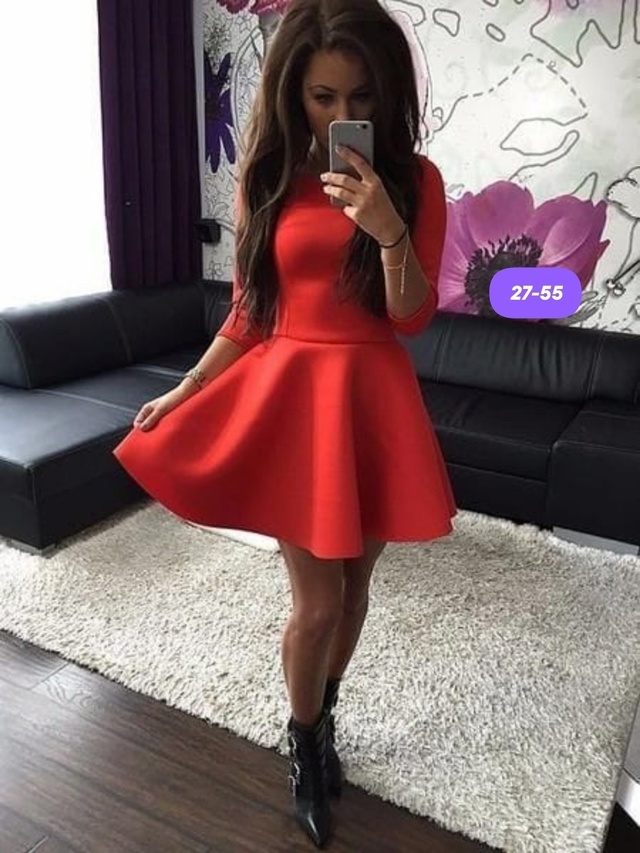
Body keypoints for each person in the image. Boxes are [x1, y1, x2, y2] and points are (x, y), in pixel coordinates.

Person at [113, 0, 457, 847]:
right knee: (318, 601)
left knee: (358, 586)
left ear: (387, 92)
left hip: (373, 398)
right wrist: (187, 388)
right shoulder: (266, 178)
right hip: (298, 406)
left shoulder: (415, 182)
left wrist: (387, 230)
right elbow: (249, 312)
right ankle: (303, 745)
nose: (343, 115)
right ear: (293, 92)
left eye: (361, 97)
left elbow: (411, 317)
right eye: (323, 97)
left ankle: (324, 716)